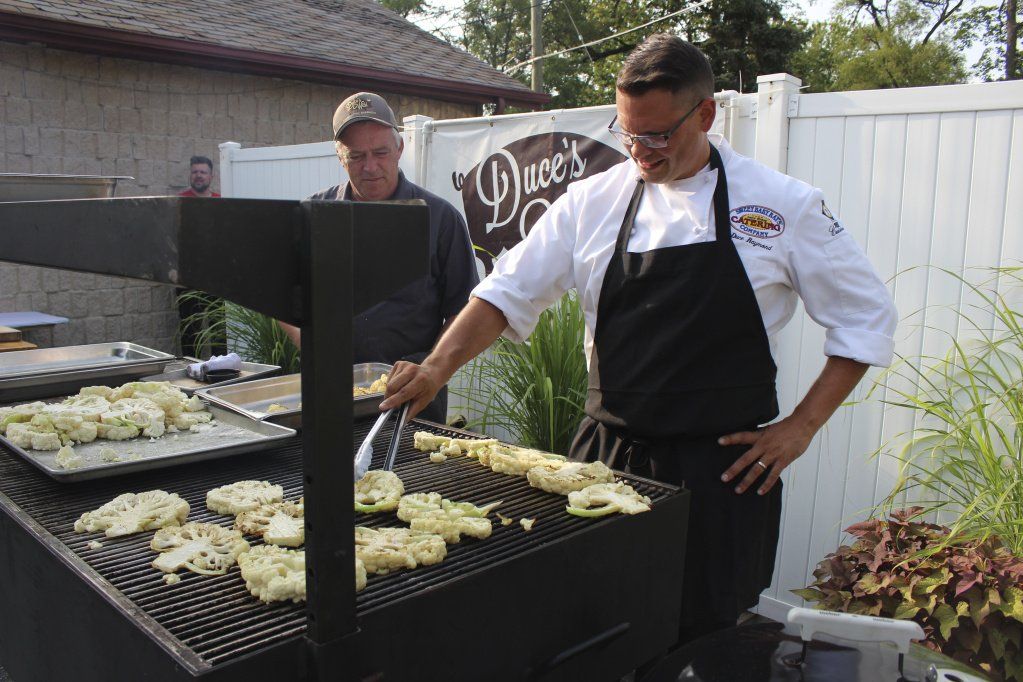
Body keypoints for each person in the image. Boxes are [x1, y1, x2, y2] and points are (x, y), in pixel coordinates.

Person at [381, 35, 898, 648]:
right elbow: (505, 292)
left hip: (724, 469)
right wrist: (437, 367)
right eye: (629, 135)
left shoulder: (782, 204)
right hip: (607, 454)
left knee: (704, 637)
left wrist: (802, 426)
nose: (641, 153)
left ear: (704, 114)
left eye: (657, 136)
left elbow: (866, 319)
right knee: (592, 628)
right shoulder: (592, 201)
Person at [279, 92, 478, 424]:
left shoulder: (439, 219)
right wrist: (308, 343)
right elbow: (283, 288)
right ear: (340, 157)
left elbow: (464, 310)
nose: (369, 167)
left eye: (380, 152)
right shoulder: (313, 215)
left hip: (413, 399)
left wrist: (431, 366)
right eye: (356, 156)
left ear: (399, 149)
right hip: (330, 391)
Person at [176, 155, 223, 357]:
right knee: (190, 333)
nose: (199, 176)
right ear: (190, 174)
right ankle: (191, 371)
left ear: (211, 176)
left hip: (216, 279)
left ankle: (220, 371)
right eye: (195, 171)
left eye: (203, 172)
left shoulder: (221, 202)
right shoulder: (180, 201)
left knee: (218, 333)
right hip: (188, 279)